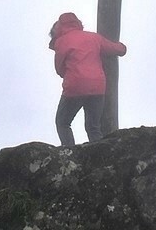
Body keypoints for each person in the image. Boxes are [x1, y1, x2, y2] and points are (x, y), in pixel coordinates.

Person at [49, 12, 127, 146]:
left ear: (59, 28)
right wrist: (122, 47)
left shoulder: (61, 41)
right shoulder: (93, 37)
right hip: (98, 87)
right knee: (93, 127)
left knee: (62, 122)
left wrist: (68, 74)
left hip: (75, 86)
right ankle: (101, 156)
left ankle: (69, 153)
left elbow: (59, 69)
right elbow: (117, 49)